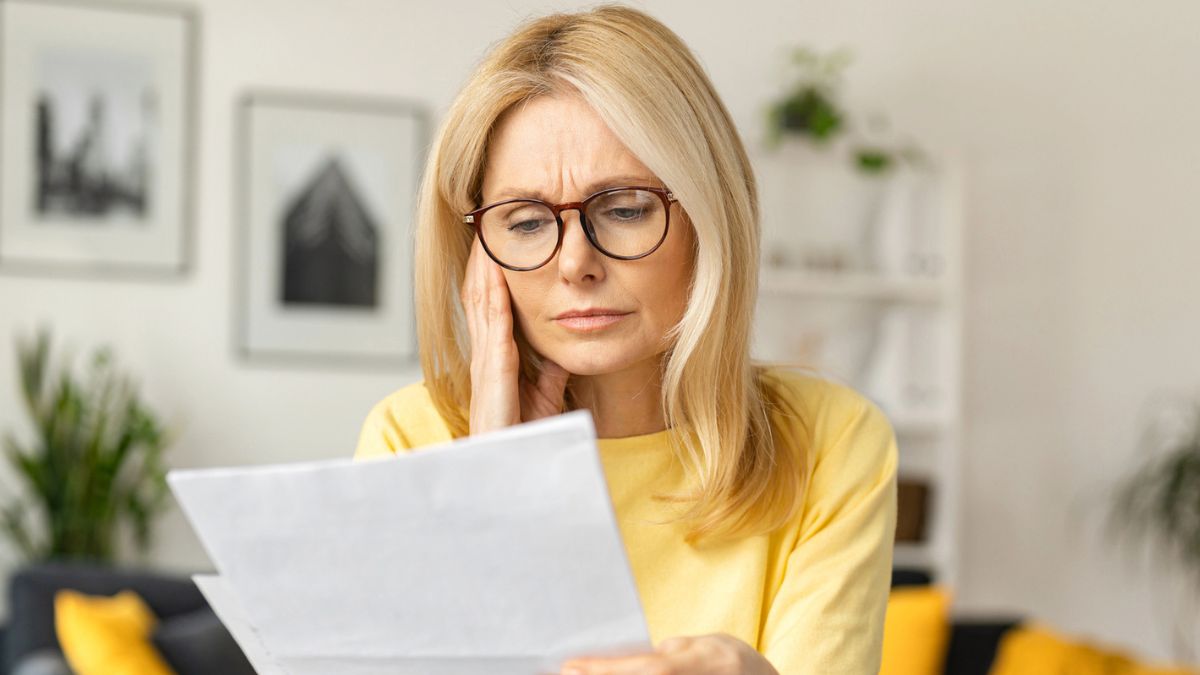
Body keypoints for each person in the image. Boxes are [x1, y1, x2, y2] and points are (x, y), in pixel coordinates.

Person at [354, 5, 898, 673]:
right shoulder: (409, 439)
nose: (573, 262)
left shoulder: (829, 441)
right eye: (524, 221)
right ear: (478, 252)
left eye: (624, 209)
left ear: (709, 214)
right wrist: (492, 486)